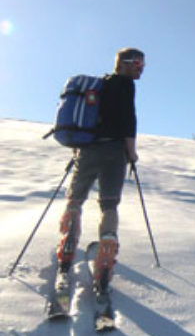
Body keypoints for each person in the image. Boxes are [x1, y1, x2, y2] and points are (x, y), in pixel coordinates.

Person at [56, 47, 145, 292]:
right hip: (114, 152)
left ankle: (67, 249)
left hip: (87, 149)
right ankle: (104, 261)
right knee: (108, 206)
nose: (141, 68)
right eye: (138, 63)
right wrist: (131, 151)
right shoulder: (125, 86)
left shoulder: (99, 85)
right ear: (124, 64)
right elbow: (129, 120)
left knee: (74, 201)